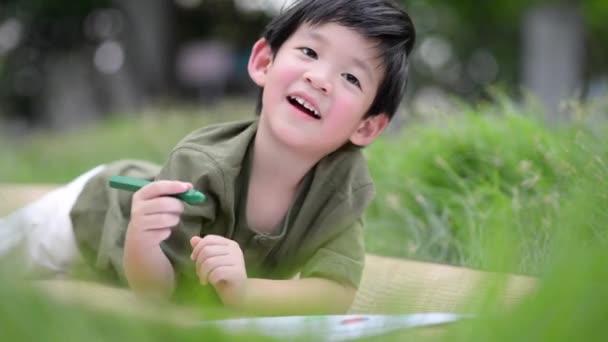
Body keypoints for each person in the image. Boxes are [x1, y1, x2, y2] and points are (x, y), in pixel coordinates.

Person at [0, 0, 415, 315]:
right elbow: (158, 294)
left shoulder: (344, 187)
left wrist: (245, 290)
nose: (320, 79)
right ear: (264, 62)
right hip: (87, 217)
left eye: (350, 77)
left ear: (367, 126)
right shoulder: (203, 163)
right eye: (309, 52)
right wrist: (143, 241)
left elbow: (334, 292)